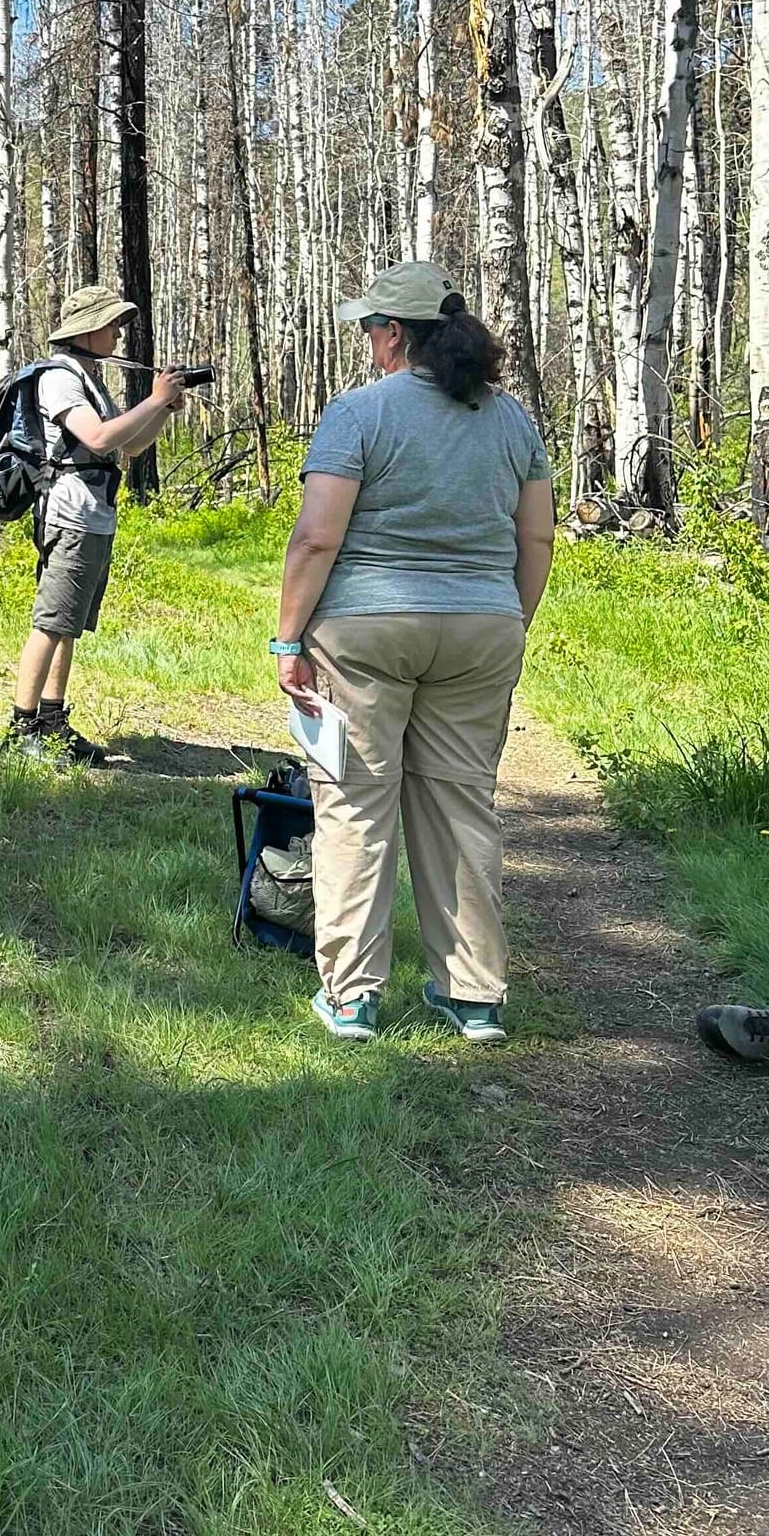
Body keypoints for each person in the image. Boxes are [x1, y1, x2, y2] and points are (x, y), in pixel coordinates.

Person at [274, 260, 557, 1044]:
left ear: (394, 334)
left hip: (366, 631)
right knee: (461, 802)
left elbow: (317, 535)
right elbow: (535, 536)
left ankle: (354, 997)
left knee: (356, 804)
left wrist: (288, 637)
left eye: (370, 328)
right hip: (482, 626)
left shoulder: (359, 412)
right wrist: (510, 619)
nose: (367, 342)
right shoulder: (512, 420)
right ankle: (472, 997)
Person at [7, 285, 190, 764]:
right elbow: (98, 437)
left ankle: (51, 720)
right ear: (87, 330)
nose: (116, 332)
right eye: (110, 324)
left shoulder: (89, 378)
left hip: (93, 516)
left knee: (69, 625)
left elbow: (128, 447)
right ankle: (21, 725)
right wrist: (154, 400)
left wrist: (162, 412)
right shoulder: (60, 379)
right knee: (50, 622)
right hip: (69, 514)